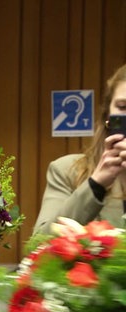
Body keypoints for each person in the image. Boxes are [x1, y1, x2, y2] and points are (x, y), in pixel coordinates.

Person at [34, 63, 126, 234]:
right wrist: (96, 184)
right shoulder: (66, 170)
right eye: (122, 107)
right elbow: (39, 243)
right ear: (107, 115)